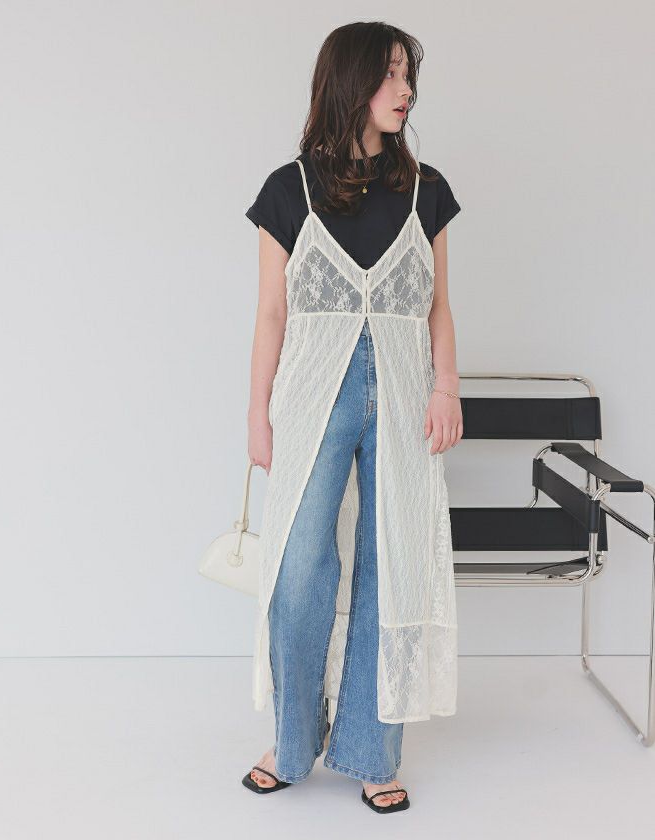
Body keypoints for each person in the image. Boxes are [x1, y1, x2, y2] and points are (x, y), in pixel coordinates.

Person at [242, 22, 463, 814]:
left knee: (391, 563)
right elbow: (272, 314)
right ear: (351, 82)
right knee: (299, 568)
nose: (405, 91)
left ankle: (372, 749)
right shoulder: (288, 190)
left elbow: (438, 306)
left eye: (409, 76)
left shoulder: (426, 189)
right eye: (390, 75)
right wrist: (257, 414)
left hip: (404, 395)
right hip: (311, 397)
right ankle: (293, 739)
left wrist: (447, 386)